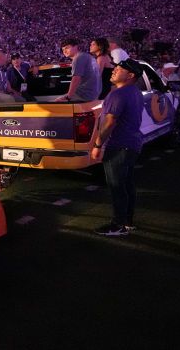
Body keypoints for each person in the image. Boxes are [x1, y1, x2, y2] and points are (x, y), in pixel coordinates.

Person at [89, 60, 145, 236]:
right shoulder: (135, 92)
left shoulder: (117, 94)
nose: (114, 71)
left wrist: (98, 144)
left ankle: (118, 225)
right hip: (132, 144)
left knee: (117, 186)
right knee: (127, 184)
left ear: (130, 75)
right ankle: (127, 221)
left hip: (119, 145)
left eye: (119, 69)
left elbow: (110, 122)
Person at [58, 37, 100, 103]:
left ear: (76, 46)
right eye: (63, 50)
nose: (64, 51)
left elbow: (76, 79)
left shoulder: (78, 58)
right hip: (93, 93)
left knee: (54, 103)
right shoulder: (86, 56)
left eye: (67, 48)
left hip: (84, 95)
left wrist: (69, 97)